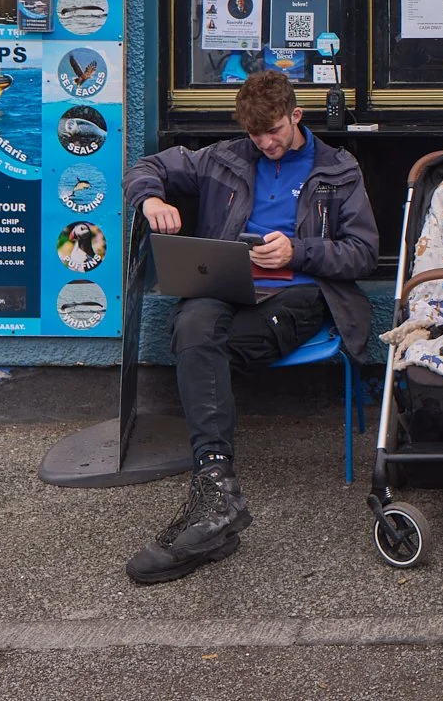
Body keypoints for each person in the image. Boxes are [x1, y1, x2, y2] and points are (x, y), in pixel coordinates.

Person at [122, 71, 380, 584]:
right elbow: (145, 166)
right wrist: (151, 200)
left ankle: (214, 500)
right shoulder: (225, 158)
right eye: (257, 135)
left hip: (302, 294)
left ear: (296, 116)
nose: (267, 143)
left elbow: (364, 253)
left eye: (275, 132)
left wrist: (298, 249)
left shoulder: (338, 169)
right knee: (192, 325)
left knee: (200, 349)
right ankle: (218, 485)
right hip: (229, 284)